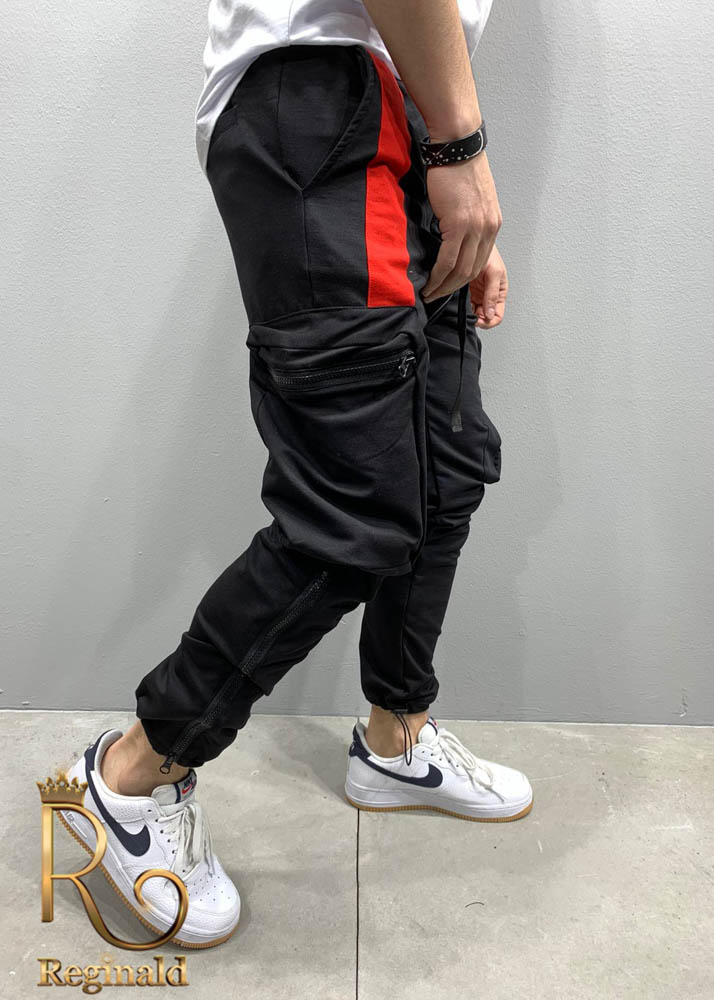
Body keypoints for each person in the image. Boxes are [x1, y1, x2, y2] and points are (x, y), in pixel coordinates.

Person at [59, 0, 533, 950]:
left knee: (445, 467)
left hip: (404, 109)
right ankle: (126, 776)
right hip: (320, 99)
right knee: (355, 510)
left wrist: (452, 171)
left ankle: (396, 738)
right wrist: (461, 149)